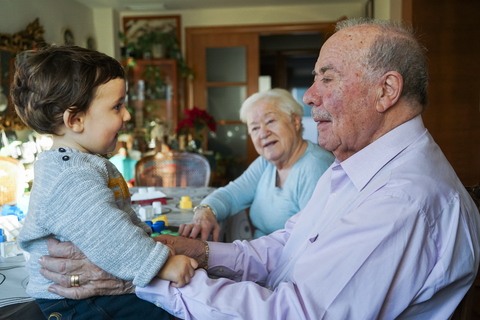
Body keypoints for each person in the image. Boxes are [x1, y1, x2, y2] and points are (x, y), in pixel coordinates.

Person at [38, 19, 480, 319]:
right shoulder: (361, 169)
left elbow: (293, 315)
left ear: (386, 90)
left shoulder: (402, 199)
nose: (309, 96)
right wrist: (202, 254)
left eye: (327, 77)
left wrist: (141, 275)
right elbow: (290, 247)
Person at [12, 46, 197, 320]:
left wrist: (149, 242)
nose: (127, 116)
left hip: (93, 294)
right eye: (117, 107)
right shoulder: (70, 176)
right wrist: (163, 265)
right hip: (75, 303)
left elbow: (121, 220)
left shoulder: (84, 163)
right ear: (76, 120)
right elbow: (109, 235)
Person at [179, 88, 334, 240]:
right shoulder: (266, 164)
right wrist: (204, 211)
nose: (263, 133)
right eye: (254, 128)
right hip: (260, 258)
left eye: (270, 121)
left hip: (285, 263)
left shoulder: (316, 167)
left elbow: (310, 242)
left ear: (295, 121)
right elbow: (231, 195)